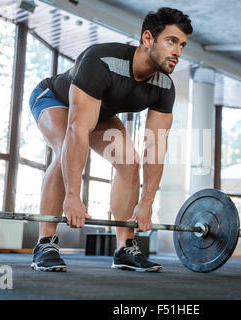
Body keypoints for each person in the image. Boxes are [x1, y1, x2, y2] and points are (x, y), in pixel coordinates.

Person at [28, 7, 193, 272]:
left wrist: (147, 202)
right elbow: (77, 130)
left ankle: (124, 248)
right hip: (54, 99)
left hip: (99, 112)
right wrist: (73, 195)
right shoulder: (102, 60)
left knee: (130, 164)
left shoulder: (164, 87)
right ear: (148, 39)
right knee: (63, 151)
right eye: (172, 41)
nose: (178, 52)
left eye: (182, 45)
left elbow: (156, 148)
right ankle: (45, 242)